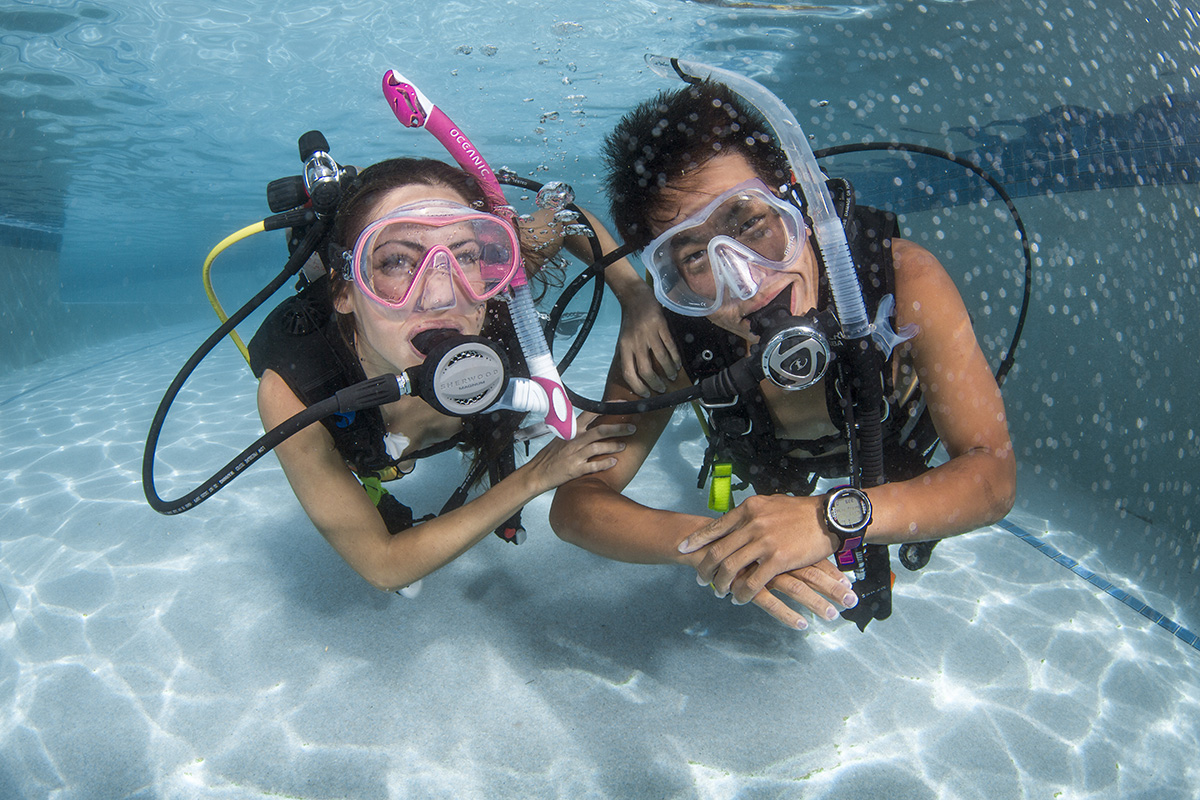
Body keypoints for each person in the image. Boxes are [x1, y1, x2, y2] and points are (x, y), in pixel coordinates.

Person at [549, 81, 1016, 630]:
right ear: (669, 276)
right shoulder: (678, 333)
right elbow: (578, 503)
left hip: (891, 465)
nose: (746, 281)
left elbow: (992, 477)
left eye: (751, 223)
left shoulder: (901, 279)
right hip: (774, 472)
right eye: (696, 256)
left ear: (797, 200)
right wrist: (717, 544)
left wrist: (830, 520)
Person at [251, 157, 636, 593]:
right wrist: (534, 477)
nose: (441, 295)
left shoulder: (497, 289)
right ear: (345, 290)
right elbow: (383, 566)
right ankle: (311, 236)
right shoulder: (295, 391)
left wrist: (636, 297)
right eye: (397, 261)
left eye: (465, 254)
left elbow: (566, 219)